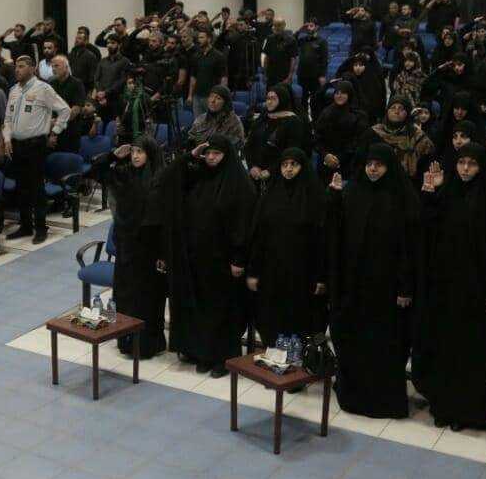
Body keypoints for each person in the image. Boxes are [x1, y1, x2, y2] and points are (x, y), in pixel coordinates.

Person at [327, 143, 420, 418]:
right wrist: (334, 199)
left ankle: (384, 401)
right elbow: (337, 234)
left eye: (378, 165)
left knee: (384, 346)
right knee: (353, 342)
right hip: (355, 286)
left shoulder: (402, 198)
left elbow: (409, 247)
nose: (373, 169)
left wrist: (405, 286)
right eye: (369, 164)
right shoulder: (353, 192)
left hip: (387, 289)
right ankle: (352, 394)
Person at [157, 136, 255, 377]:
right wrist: (189, 157)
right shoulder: (199, 175)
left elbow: (244, 225)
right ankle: (202, 353)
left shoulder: (239, 184)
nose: (211, 158)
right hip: (196, 257)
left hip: (223, 260)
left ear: (227, 156)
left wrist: (238, 259)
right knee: (201, 307)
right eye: (208, 153)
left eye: (216, 154)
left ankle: (223, 358)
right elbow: (166, 181)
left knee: (221, 311)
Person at [417, 144, 486, 430]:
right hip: (445, 286)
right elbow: (428, 230)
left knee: (470, 352)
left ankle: (465, 413)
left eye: (471, 164)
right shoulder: (447, 192)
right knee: (444, 348)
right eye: (461, 162)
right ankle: (443, 408)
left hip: (475, 289)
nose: (465, 168)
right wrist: (431, 194)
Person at [245, 149, 327, 351]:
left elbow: (322, 241)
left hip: (303, 274)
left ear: (303, 167)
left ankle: (298, 362)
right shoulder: (270, 195)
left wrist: (321, 276)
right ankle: (274, 358)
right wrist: (253, 271)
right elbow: (259, 236)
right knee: (271, 318)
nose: (288, 169)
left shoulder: (315, 198)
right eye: (284, 164)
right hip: (272, 272)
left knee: (300, 320)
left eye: (294, 164)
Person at [0, 56, 71, 244]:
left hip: (35, 145)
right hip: (16, 145)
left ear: (32, 68)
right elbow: (7, 119)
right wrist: (7, 138)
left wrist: (55, 131)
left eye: (21, 66)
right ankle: (25, 225)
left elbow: (65, 110)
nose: (17, 70)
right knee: (20, 187)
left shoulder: (43, 88)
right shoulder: (13, 90)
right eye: (16, 66)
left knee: (36, 188)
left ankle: (40, 227)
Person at [108, 136, 168, 359]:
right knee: (126, 297)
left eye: (140, 152)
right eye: (133, 151)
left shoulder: (160, 180)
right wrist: (114, 156)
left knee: (146, 299)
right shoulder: (126, 175)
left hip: (149, 250)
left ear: (150, 154)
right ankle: (125, 341)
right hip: (127, 247)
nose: (135, 156)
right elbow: (98, 171)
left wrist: (163, 253)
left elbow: (164, 222)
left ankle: (146, 345)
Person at [243, 85, 310, 185]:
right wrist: (252, 166)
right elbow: (249, 145)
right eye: (268, 98)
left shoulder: (292, 122)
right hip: (256, 173)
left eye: (273, 99)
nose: (269, 102)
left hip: (281, 175)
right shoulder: (263, 118)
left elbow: (291, 152)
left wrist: (270, 171)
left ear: (282, 100)